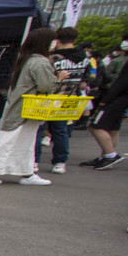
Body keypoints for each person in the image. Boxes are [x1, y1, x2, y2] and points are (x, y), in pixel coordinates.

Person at [0, 27, 62, 186]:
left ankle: (26, 173)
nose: (55, 43)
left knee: (24, 142)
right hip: (24, 107)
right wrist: (59, 78)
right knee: (10, 140)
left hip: (25, 107)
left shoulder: (28, 59)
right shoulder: (39, 61)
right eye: (53, 40)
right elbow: (46, 85)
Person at [82, 27, 128, 170]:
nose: (125, 43)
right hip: (126, 97)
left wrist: (106, 99)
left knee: (96, 125)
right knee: (113, 127)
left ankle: (110, 155)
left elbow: (125, 80)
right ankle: (105, 156)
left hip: (120, 96)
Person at [40, 27, 91, 174]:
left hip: (49, 97)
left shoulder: (53, 58)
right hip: (69, 99)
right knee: (61, 131)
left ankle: (35, 161)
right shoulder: (85, 59)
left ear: (57, 39)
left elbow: (45, 80)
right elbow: (84, 83)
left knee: (39, 129)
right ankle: (60, 162)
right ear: (74, 40)